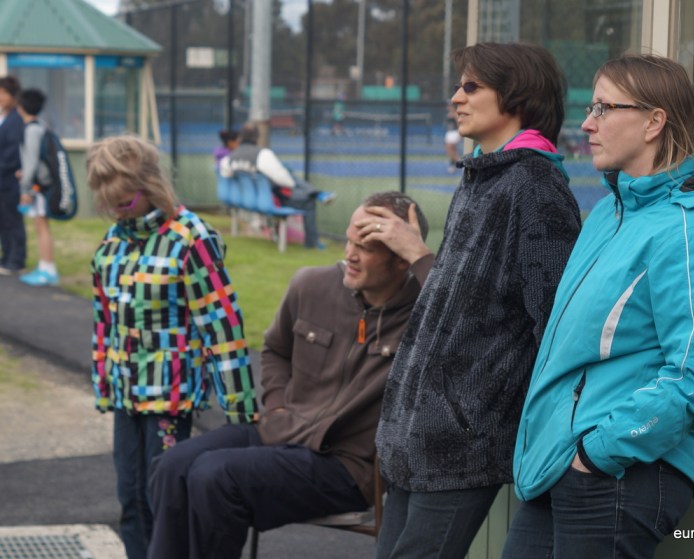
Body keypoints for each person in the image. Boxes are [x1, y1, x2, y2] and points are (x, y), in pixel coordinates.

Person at [504, 53, 694, 559]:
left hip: (616, 472)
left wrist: (598, 453)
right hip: (562, 464)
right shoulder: (610, 210)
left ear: (654, 121)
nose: (587, 122)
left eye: (605, 107)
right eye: (591, 106)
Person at [373, 42, 582, 559]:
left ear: (516, 97)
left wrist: (472, 412)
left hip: (461, 443)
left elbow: (555, 327)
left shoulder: (536, 186)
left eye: (471, 87)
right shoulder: (482, 177)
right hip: (416, 437)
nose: (455, 98)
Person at [146, 191, 434, 559]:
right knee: (171, 466)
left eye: (366, 247)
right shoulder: (311, 285)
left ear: (399, 260)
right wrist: (278, 406)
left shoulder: (427, 314)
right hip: (280, 434)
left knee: (214, 475)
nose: (349, 254)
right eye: (348, 239)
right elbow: (276, 351)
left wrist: (421, 256)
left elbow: (465, 322)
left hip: (344, 465)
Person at [86, 135, 258, 559]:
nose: (116, 213)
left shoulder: (190, 238)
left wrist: (241, 414)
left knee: (162, 502)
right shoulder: (112, 244)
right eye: (109, 205)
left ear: (150, 186)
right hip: (126, 396)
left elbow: (223, 325)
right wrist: (104, 384)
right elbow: (104, 323)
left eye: (124, 203)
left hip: (169, 400)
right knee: (130, 501)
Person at [219, 121, 336, 249]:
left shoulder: (229, 159)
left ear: (240, 137)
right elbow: (286, 181)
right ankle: (312, 241)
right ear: (257, 137)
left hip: (244, 200)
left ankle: (317, 193)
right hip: (268, 201)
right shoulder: (263, 154)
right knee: (307, 200)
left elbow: (227, 177)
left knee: (287, 176)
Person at [16, 89, 58, 286]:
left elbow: (31, 163)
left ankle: (48, 269)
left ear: (21, 107)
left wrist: (26, 190)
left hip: (38, 187)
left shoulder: (31, 129)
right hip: (41, 185)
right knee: (41, 226)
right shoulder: (41, 125)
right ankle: (44, 267)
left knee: (42, 227)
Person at [0, 76, 26, 276]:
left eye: (3, 93)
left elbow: (12, 153)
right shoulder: (5, 117)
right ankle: (7, 256)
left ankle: (16, 260)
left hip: (10, 179)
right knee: (3, 220)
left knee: (12, 220)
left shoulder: (17, 120)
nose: (0, 97)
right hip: (3, 179)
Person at [443, 103, 461, 173]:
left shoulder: (455, 114)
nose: (449, 107)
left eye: (450, 106)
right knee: (451, 150)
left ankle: (461, 163)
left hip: (454, 133)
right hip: (449, 133)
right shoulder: (448, 114)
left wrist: (460, 133)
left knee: (450, 150)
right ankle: (453, 165)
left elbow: (458, 124)